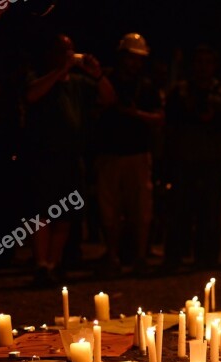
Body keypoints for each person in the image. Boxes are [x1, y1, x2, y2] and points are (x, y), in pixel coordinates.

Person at [24, 34, 114, 286]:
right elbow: (31, 95)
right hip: (43, 159)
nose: (67, 55)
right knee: (42, 215)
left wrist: (97, 74)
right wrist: (60, 70)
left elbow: (108, 98)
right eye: (61, 50)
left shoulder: (79, 83)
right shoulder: (39, 77)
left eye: (70, 50)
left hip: (71, 159)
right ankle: (41, 264)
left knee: (64, 215)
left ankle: (53, 264)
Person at [95, 33, 163, 277]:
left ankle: (140, 257)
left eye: (138, 58)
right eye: (131, 57)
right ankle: (112, 255)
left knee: (141, 209)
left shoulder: (146, 85)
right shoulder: (105, 80)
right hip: (109, 153)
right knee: (109, 208)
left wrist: (135, 114)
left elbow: (159, 117)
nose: (134, 63)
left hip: (138, 152)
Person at [164, 45, 221, 269]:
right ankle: (174, 256)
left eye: (208, 62)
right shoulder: (180, 92)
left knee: (210, 213)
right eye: (199, 62)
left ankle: (207, 258)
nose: (203, 67)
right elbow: (170, 126)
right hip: (184, 160)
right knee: (180, 211)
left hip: (212, 162)